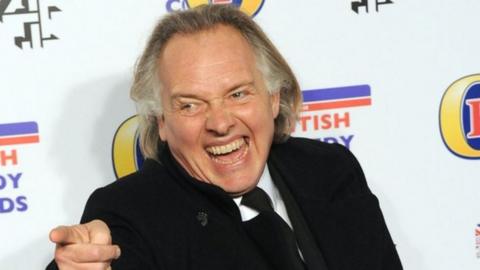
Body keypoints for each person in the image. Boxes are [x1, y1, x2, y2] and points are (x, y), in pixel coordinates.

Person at [47, 4, 402, 270]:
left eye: (238, 94)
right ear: (162, 123)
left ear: (274, 97)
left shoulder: (330, 170)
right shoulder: (129, 214)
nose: (219, 123)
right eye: (190, 105)